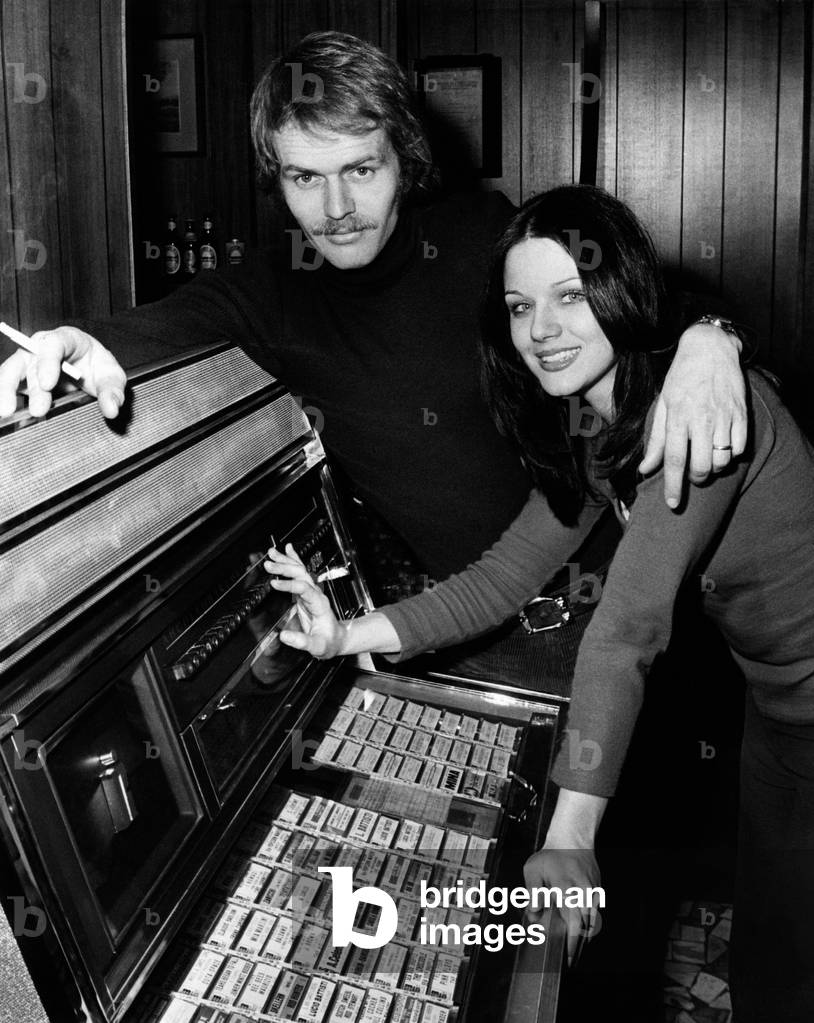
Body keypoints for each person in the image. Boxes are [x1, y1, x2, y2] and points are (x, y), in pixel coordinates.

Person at [0, 31, 747, 690]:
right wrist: (74, 344)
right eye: (304, 178)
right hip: (461, 632)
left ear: (405, 158)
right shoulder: (273, 287)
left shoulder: (483, 234)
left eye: (360, 169)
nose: (335, 209)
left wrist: (712, 338)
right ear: (276, 178)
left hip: (620, 609)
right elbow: (161, 325)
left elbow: (645, 305)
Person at [265, 185, 814, 1022]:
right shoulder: (604, 425)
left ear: (621, 289)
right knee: (774, 944)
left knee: (791, 958)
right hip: (778, 709)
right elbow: (506, 574)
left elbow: (626, 627)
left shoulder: (693, 406)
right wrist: (346, 635)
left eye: (570, 296)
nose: (543, 329)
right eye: (522, 307)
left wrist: (570, 835)